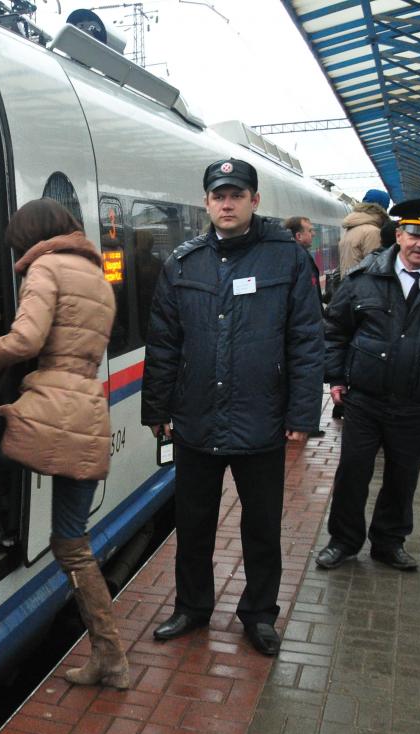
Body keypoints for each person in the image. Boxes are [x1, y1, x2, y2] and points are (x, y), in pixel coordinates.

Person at [141, 158, 324, 657]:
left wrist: (302, 416)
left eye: (236, 194)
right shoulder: (183, 261)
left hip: (261, 418)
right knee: (193, 524)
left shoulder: (286, 258)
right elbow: (163, 342)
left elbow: (307, 341)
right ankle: (192, 608)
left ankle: (259, 615)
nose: (227, 203)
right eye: (218, 195)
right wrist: (157, 408)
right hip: (196, 418)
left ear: (254, 201)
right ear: (206, 203)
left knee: (262, 527)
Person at [0, 198, 128, 689]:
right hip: (85, 415)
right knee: (72, 544)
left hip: (47, 412)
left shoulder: (45, 267)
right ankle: (111, 659)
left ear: (30, 238)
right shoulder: (97, 275)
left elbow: (27, 342)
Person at [317, 199, 420, 572]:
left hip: (418, 403)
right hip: (365, 400)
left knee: (402, 476)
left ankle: (389, 543)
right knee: (352, 474)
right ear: (399, 235)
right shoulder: (364, 279)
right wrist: (336, 378)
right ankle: (343, 541)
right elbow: (336, 332)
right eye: (414, 234)